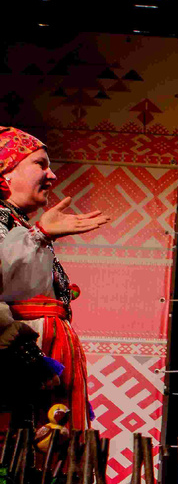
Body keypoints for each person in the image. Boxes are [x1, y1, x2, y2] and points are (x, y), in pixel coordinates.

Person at [0, 127, 109, 431]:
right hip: (16, 362)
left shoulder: (15, 223)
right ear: (5, 172)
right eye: (40, 164)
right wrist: (30, 358)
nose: (52, 175)